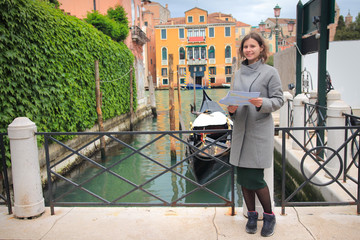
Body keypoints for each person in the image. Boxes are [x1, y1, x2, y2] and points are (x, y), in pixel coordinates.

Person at [227, 32, 284, 237]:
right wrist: (230, 109)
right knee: (243, 178)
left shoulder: (270, 72)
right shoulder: (238, 73)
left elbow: (279, 100)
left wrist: (263, 103)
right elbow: (234, 98)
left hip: (259, 132)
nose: (248, 50)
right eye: (245, 47)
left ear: (261, 48)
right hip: (241, 130)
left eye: (252, 46)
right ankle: (252, 215)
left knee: (256, 178)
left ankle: (269, 216)